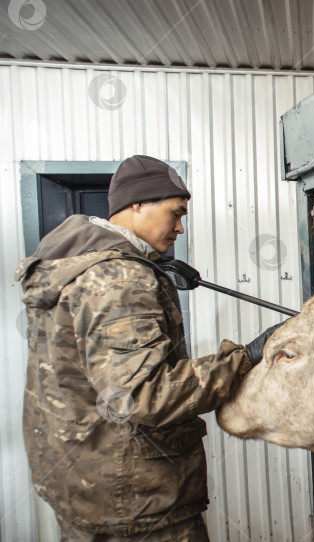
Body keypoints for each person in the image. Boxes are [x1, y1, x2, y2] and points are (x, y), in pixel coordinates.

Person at [15, 155, 278, 541]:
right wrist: (246, 357)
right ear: (137, 203)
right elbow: (143, 395)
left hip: (84, 484)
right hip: (137, 504)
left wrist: (152, 266)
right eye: (175, 213)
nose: (180, 228)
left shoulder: (74, 262)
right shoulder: (118, 277)